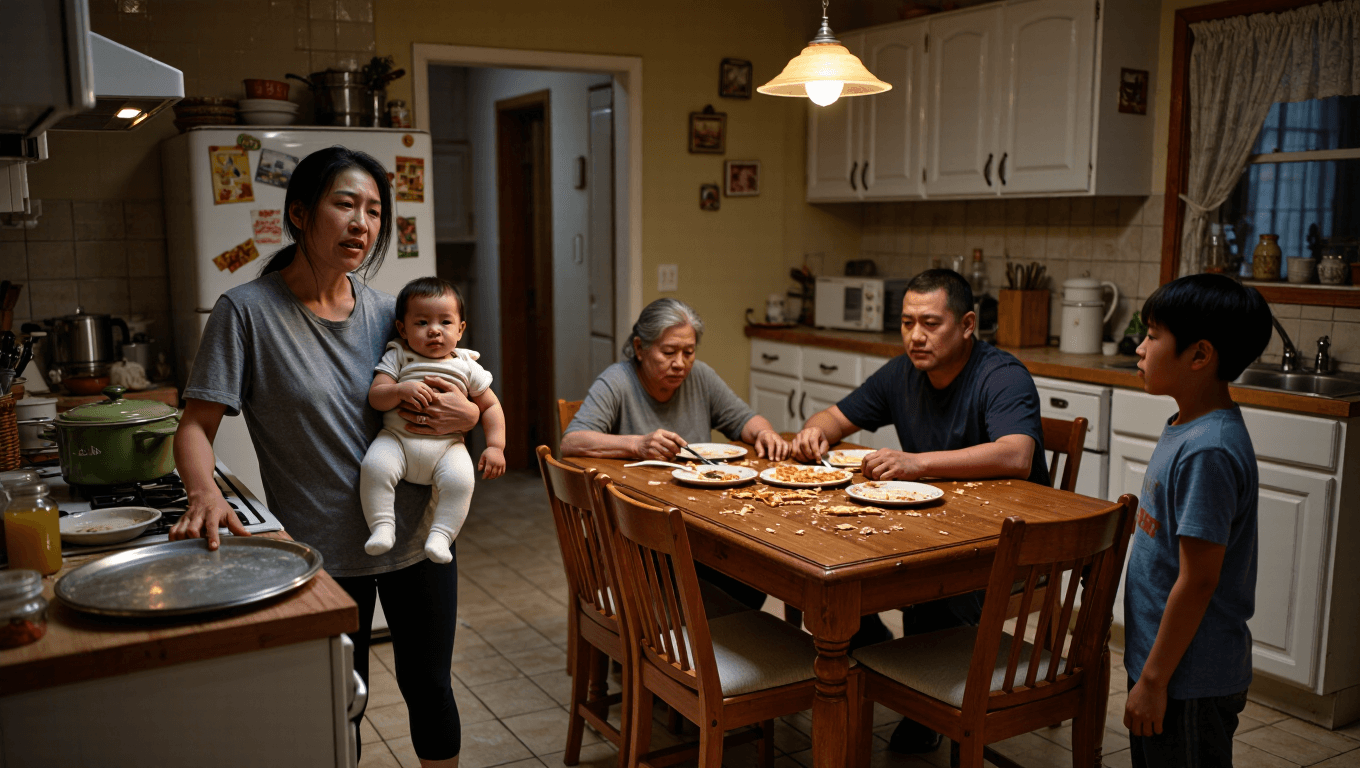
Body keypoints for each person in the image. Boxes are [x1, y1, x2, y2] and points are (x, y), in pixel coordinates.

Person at [170, 146, 479, 768]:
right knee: (340, 707)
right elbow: (196, 427)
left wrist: (470, 418)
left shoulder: (389, 315)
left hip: (417, 540)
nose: (363, 223)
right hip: (320, 552)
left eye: (373, 210)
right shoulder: (246, 313)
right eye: (346, 204)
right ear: (301, 213)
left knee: (432, 692)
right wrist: (204, 491)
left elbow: (443, 398)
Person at [791, 268, 1048, 753]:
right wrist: (815, 431)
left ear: (968, 324)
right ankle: (894, 671)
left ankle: (921, 702)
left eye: (930, 323)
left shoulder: (1002, 375)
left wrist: (917, 463)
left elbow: (1017, 454)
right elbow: (835, 416)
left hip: (1002, 548)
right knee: (835, 577)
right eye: (907, 322)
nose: (915, 336)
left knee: (925, 589)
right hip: (932, 527)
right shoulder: (902, 373)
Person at [1122, 275, 1271, 768]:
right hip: (1167, 664)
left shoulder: (1209, 448)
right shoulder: (1187, 427)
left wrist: (1153, 680)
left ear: (1200, 355)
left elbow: (1200, 579)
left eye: (1152, 335)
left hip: (1189, 677)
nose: (1140, 348)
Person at [560, 297, 790, 609]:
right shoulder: (618, 380)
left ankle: (719, 644)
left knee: (753, 575)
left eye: (689, 352)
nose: (680, 363)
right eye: (668, 352)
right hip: (638, 536)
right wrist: (637, 445)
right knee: (739, 582)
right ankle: (693, 643)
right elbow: (571, 442)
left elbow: (744, 419)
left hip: (699, 523)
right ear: (640, 348)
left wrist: (766, 433)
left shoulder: (700, 377)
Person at [362, 277, 505, 563]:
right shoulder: (399, 356)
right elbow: (376, 397)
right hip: (397, 440)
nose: (434, 331)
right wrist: (399, 390)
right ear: (402, 328)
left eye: (445, 322)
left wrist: (496, 446)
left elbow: (490, 406)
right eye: (422, 323)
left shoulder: (466, 365)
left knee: (461, 481)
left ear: (461, 329)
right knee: (374, 467)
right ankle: (382, 526)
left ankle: (441, 535)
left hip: (447, 448)